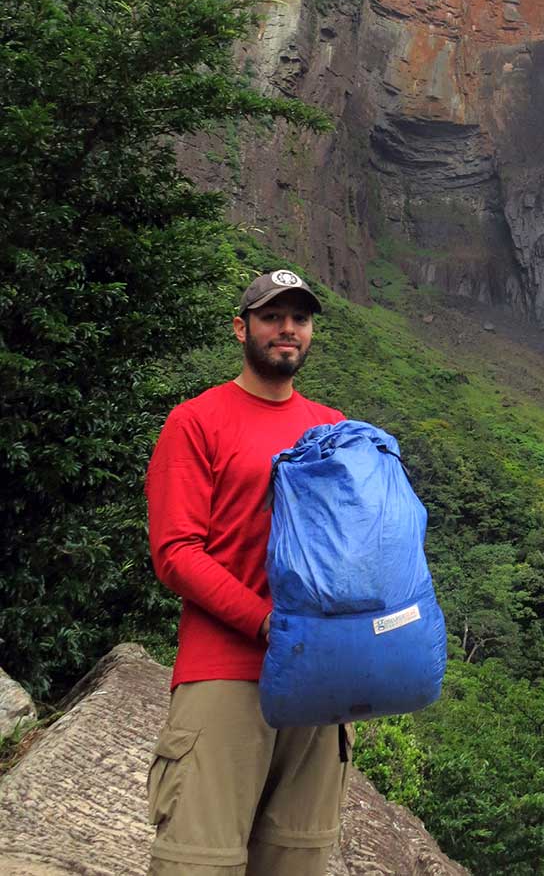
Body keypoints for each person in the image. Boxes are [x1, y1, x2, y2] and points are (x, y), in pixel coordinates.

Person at [145, 268, 352, 876]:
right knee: (197, 863)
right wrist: (266, 623)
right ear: (242, 328)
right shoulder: (196, 421)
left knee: (299, 862)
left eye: (300, 318)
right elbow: (177, 553)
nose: (287, 329)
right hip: (227, 676)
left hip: (318, 687)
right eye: (271, 316)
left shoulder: (333, 429)